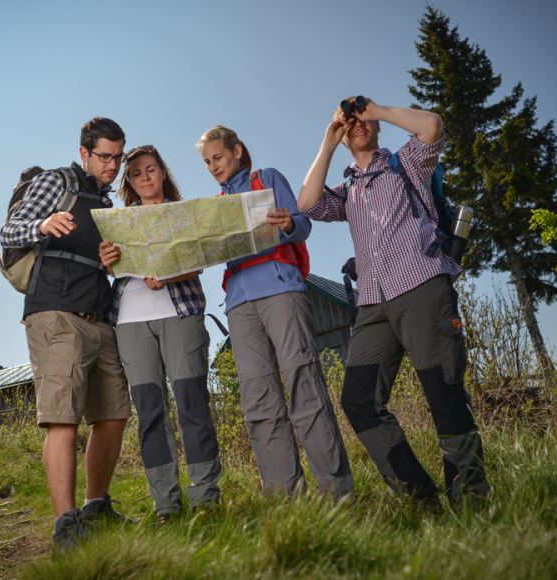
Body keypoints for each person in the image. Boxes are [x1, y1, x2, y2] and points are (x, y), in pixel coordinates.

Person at [297, 97, 490, 507]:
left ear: (377, 126)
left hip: (422, 287)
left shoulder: (407, 165)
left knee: (444, 395)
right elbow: (307, 204)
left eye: (362, 120)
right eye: (349, 123)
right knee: (358, 400)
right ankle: (420, 495)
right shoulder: (347, 188)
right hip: (372, 303)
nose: (357, 125)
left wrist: (375, 110)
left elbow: (432, 126)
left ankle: (470, 499)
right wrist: (329, 142)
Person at [195, 125, 353, 499]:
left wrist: (287, 222)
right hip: (237, 302)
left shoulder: (265, 179)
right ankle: (285, 500)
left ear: (236, 151)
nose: (213, 166)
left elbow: (301, 226)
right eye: (206, 162)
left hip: (280, 287)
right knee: (258, 398)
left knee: (303, 385)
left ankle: (337, 495)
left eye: (217, 157)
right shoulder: (214, 205)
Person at [0, 117, 132, 553]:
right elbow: (8, 230)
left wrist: (111, 260)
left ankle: (96, 506)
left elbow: (104, 263)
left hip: (100, 318)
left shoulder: (106, 203)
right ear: (84, 153)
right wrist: (42, 224)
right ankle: (65, 523)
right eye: (105, 156)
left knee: (113, 414)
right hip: (54, 314)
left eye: (118, 156)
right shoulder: (57, 182)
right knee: (64, 417)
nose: (113, 165)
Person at [98, 145, 222, 524]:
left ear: (163, 173)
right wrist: (104, 260)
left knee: (192, 405)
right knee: (150, 412)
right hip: (130, 323)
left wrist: (168, 274)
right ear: (130, 183)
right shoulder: (116, 222)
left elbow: (198, 263)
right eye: (136, 174)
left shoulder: (182, 214)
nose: (145, 177)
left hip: (180, 315)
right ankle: (165, 505)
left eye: (151, 170)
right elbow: (109, 270)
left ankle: (205, 497)